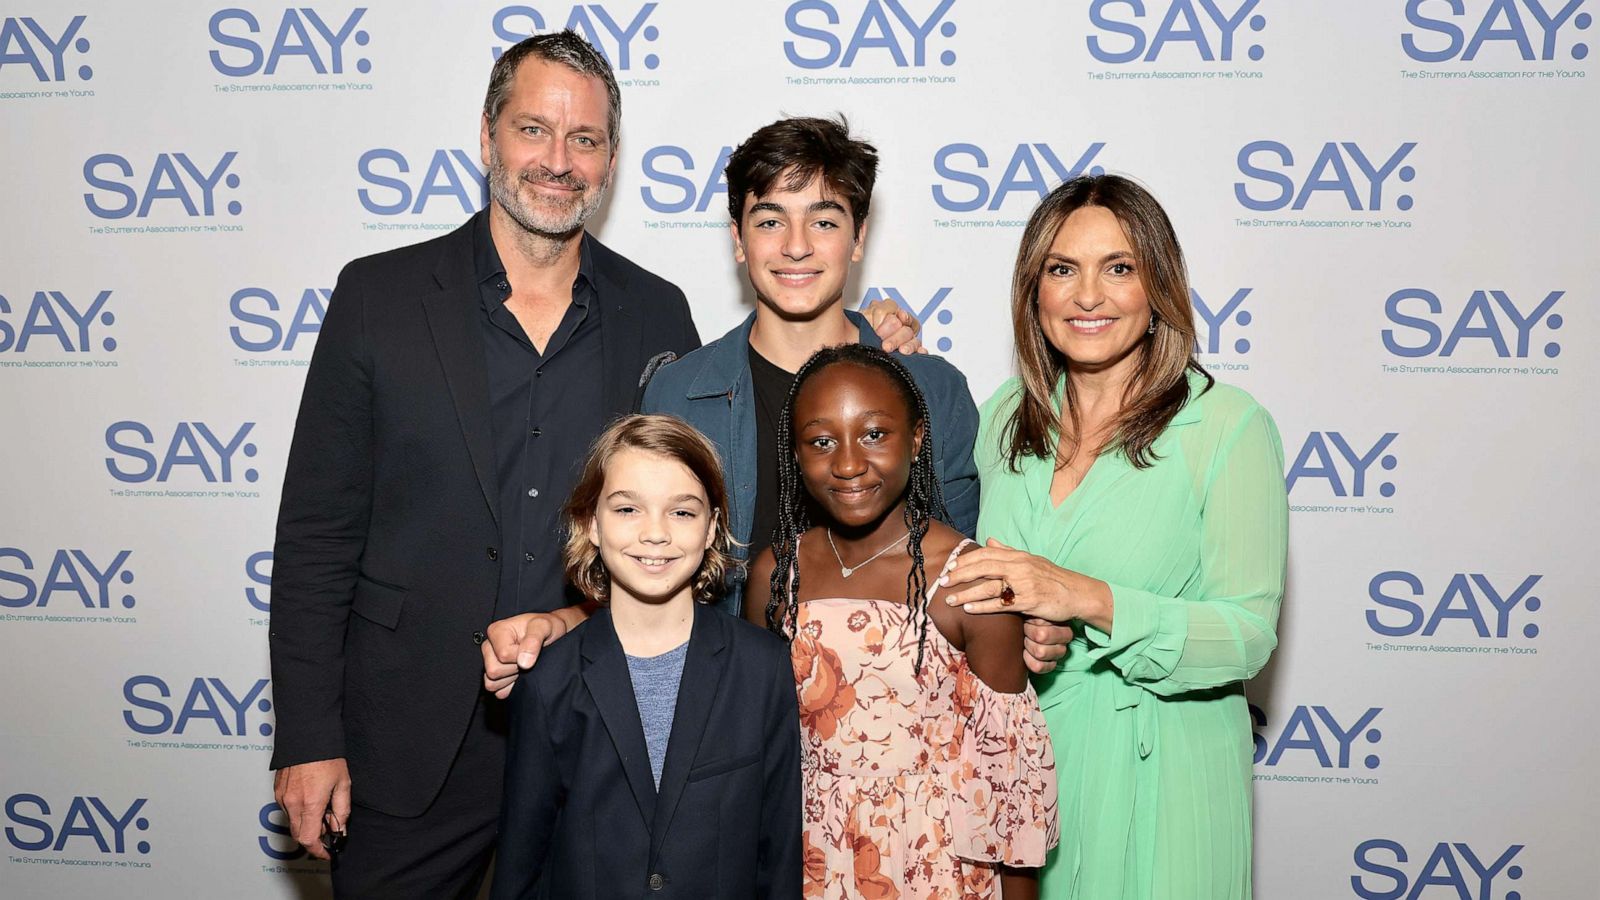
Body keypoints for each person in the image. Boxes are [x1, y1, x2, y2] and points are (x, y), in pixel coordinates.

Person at [270, 30, 917, 896]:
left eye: (586, 140)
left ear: (611, 159)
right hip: (410, 742)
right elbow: (316, 535)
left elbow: (714, 500)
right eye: (534, 130)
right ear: (488, 135)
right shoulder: (377, 297)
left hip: (605, 740)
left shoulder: (657, 315)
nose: (558, 161)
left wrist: (870, 350)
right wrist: (310, 736)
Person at [482, 116, 1056, 696]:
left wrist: (1030, 622)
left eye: (824, 221)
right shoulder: (679, 392)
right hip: (721, 720)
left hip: (899, 733)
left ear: (858, 239)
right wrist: (564, 621)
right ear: (738, 239)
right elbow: (646, 579)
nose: (796, 246)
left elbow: (969, 581)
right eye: (770, 220)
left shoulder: (931, 390)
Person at [942, 174, 1289, 900]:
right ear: (1033, 292)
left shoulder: (1229, 428)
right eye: (1062, 269)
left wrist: (1083, 598)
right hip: (1030, 769)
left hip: (1166, 776)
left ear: (1157, 286)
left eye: (1119, 268)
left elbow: (1248, 635)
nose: (1088, 296)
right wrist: (1025, 631)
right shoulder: (1006, 414)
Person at [744, 344, 1058, 900]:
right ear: (795, 453)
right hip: (807, 859)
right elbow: (757, 753)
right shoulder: (775, 574)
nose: (847, 463)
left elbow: (1009, 786)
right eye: (821, 441)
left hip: (935, 864)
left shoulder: (970, 581)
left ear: (915, 440)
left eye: (873, 434)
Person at [493, 415, 800, 899]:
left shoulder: (763, 668)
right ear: (590, 523)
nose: (655, 533)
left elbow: (779, 852)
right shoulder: (549, 680)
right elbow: (523, 862)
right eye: (628, 509)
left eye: (682, 512)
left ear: (711, 527)